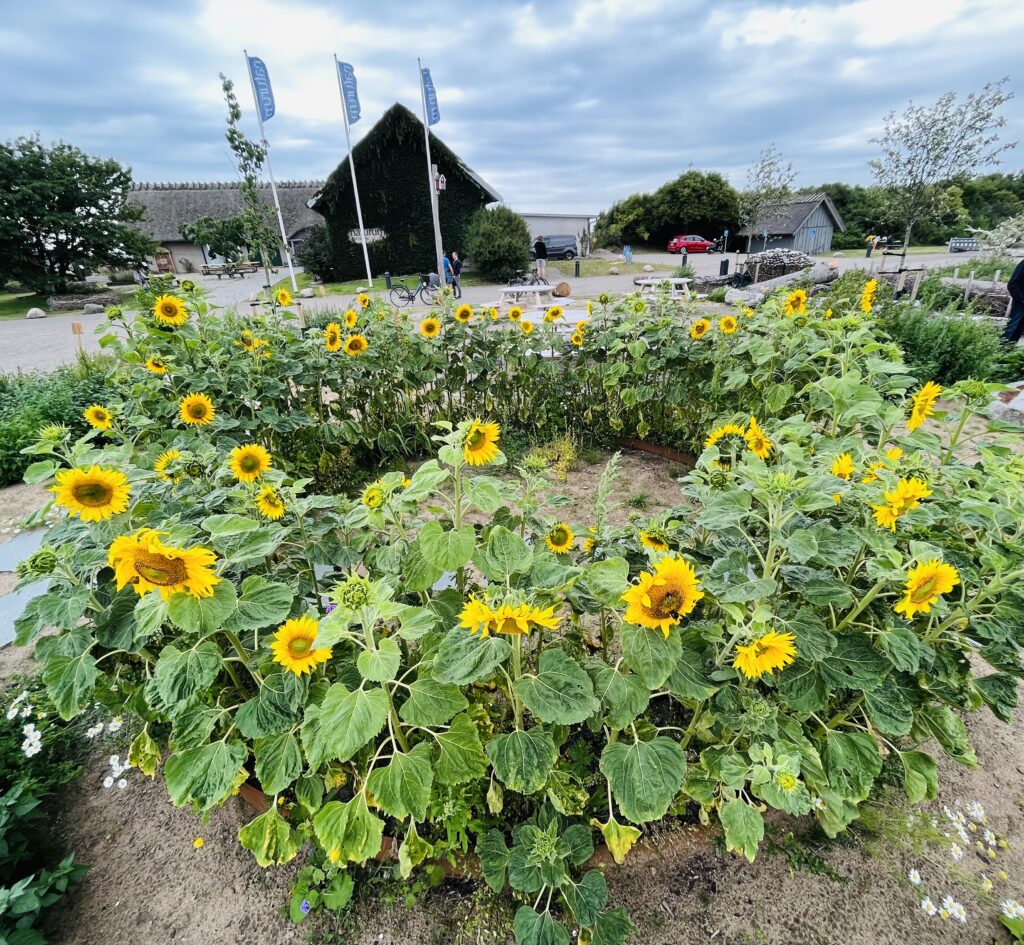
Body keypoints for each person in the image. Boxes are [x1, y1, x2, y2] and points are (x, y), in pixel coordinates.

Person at [1003, 257, 1024, 344]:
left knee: (1019, 329)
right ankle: (1000, 352)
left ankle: (1010, 353)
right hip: (1021, 304)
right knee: (1013, 328)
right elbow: (1012, 284)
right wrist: (1022, 298)